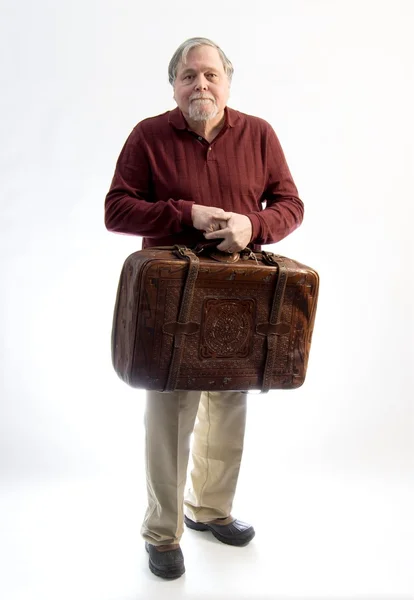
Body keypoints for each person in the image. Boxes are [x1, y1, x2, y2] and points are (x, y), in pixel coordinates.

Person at [104, 37, 304, 579]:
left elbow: (290, 205)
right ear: (174, 85)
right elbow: (116, 209)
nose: (201, 85)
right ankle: (161, 531)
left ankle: (210, 509)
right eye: (189, 75)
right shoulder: (148, 135)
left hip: (241, 294)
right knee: (170, 407)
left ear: (228, 82)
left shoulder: (259, 134)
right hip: (170, 294)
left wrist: (252, 224)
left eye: (211, 75)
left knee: (230, 399)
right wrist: (186, 214)